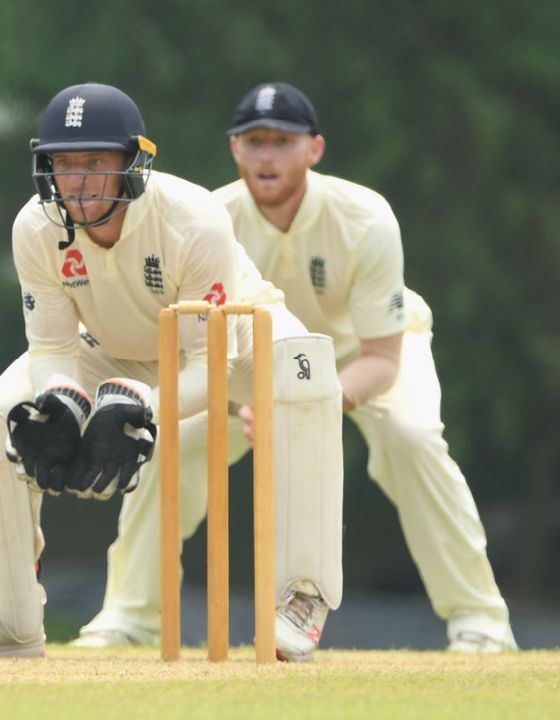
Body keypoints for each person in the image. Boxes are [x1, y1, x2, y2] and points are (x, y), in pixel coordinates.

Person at [76, 82, 516, 654]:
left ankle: (480, 622)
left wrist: (300, 404)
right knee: (168, 443)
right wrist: (256, 399)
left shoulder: (365, 218)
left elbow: (384, 359)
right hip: (242, 366)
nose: (267, 156)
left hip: (362, 357)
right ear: (234, 149)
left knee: (411, 438)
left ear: (315, 149)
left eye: (283, 142)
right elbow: (198, 343)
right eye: (254, 141)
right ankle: (129, 618)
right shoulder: (207, 217)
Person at [0, 84, 345, 662]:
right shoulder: (34, 227)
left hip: (235, 336)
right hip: (110, 346)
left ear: (133, 162)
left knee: (307, 374)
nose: (76, 183)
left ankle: (304, 595)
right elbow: (51, 346)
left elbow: (209, 364)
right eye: (64, 163)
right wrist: (60, 399)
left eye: (95, 163)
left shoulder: (191, 218)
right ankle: (9, 617)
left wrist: (140, 406)